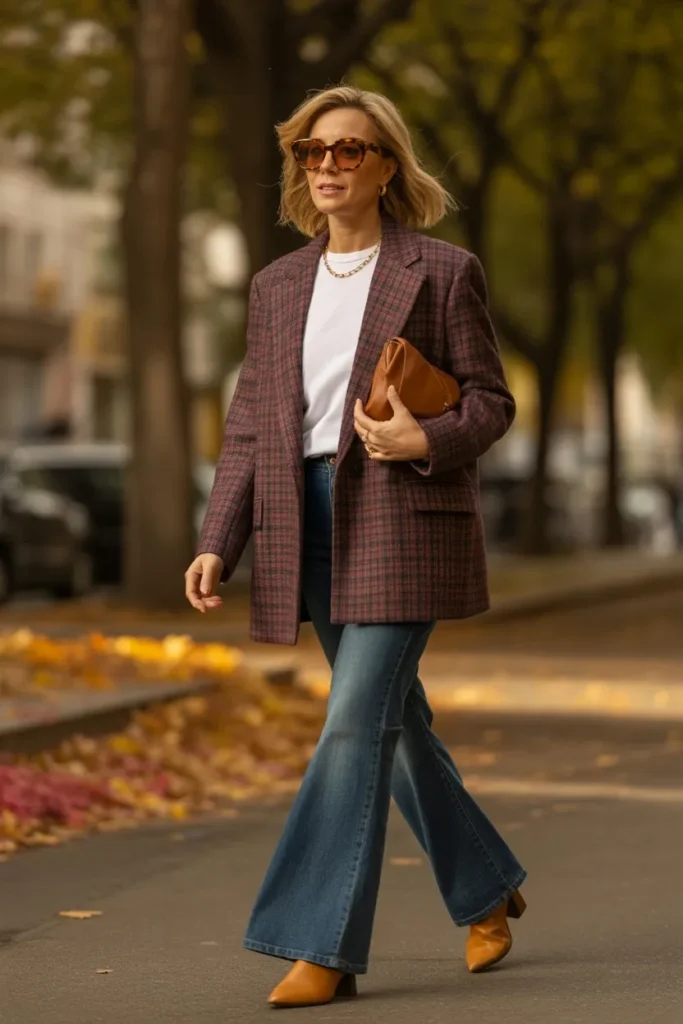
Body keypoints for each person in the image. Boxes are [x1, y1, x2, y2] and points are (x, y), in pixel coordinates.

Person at [185, 85, 527, 1009]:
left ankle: (317, 942)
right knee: (392, 724)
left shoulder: (442, 270)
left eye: (349, 149)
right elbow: (251, 424)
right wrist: (220, 538)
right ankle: (486, 887)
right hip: (303, 518)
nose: (327, 164)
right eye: (312, 151)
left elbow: (490, 402)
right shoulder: (275, 286)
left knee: (349, 725)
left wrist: (426, 438)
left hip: (401, 514)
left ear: (385, 167)